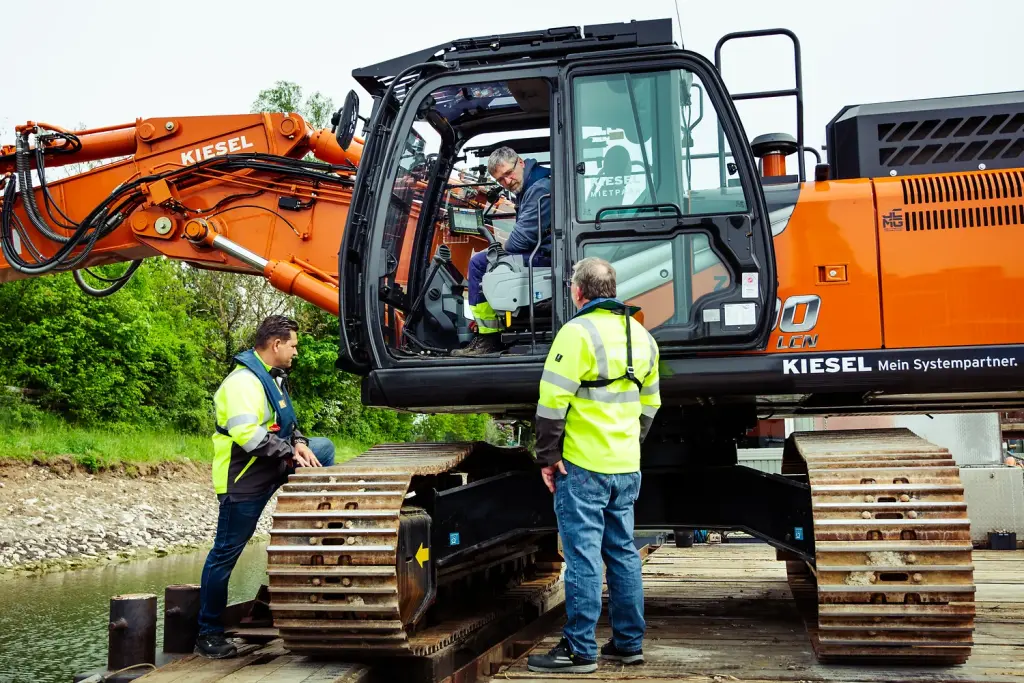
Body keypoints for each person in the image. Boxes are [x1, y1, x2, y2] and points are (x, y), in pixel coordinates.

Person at [527, 257, 661, 674]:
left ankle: (579, 649)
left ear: (577, 291)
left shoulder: (576, 332)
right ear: (613, 289)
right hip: (626, 466)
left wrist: (548, 458)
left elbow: (552, 403)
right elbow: (651, 405)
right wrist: (626, 445)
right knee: (623, 553)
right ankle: (627, 643)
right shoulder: (642, 337)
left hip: (582, 466)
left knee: (583, 557)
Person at [195, 315, 336, 659]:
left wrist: (300, 443)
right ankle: (208, 632)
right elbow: (248, 437)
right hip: (243, 478)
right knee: (225, 554)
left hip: (273, 463)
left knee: (323, 448)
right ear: (276, 345)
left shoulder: (274, 378)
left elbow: (290, 423)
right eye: (294, 345)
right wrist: (290, 453)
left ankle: (316, 532)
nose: (296, 352)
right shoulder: (242, 383)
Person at [453, 146, 552, 356]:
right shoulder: (531, 186)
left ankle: (488, 338)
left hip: (549, 257)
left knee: (479, 263)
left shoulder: (539, 189)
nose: (507, 182)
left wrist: (501, 249)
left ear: (521, 163)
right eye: (500, 180)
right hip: (545, 252)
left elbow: (519, 241)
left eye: (508, 173)